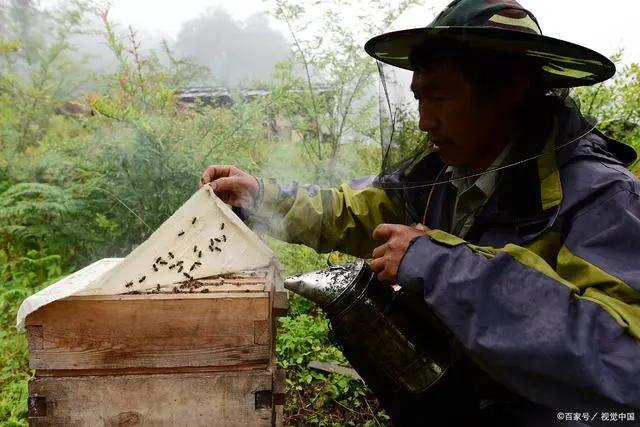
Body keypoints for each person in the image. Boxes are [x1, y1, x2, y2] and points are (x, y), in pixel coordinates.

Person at [200, 0, 640, 425]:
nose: (424, 121)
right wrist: (259, 196)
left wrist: (441, 265)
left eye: (440, 97)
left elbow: (621, 360)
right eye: (418, 98)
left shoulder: (599, 197)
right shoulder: (440, 175)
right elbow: (350, 210)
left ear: (509, 92)